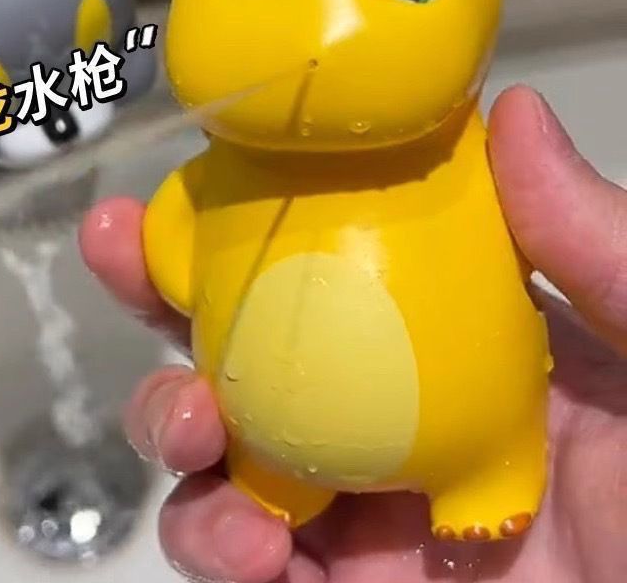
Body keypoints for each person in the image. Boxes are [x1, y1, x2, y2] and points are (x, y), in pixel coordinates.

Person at [80, 86, 626, 583]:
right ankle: (281, 476)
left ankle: (488, 475)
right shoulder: (228, 169)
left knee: (485, 447)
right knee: (240, 467)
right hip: (269, 441)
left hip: (491, 423)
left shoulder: (460, 153)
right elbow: (178, 244)